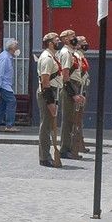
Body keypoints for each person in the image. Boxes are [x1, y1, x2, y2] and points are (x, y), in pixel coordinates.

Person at [35, 34, 63, 168]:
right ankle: (44, 157)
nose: (59, 42)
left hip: (53, 91)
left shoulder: (53, 56)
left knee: (49, 125)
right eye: (57, 40)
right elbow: (45, 81)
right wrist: (50, 102)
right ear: (50, 43)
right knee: (46, 126)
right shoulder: (46, 58)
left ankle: (47, 155)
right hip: (47, 93)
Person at [57, 28, 83, 160]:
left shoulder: (73, 52)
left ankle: (69, 148)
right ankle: (64, 149)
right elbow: (65, 75)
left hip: (74, 85)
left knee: (71, 119)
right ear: (65, 39)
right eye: (72, 36)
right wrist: (73, 94)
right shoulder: (66, 53)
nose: (75, 37)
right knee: (67, 120)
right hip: (69, 87)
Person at [0, 41, 19, 130]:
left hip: (3, 85)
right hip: (4, 86)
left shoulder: (5, 57)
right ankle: (9, 125)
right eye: (16, 47)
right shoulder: (5, 58)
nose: (17, 50)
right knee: (11, 102)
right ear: (12, 49)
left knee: (2, 104)